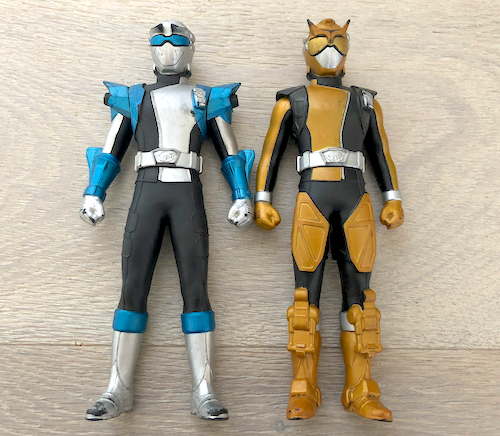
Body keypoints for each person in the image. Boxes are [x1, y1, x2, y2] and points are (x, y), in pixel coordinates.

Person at [80, 20, 254, 421]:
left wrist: (242, 194)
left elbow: (230, 152)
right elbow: (111, 150)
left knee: (196, 288)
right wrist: (94, 191)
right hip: (146, 192)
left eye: (177, 42)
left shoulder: (207, 98)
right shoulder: (133, 97)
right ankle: (117, 388)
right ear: (151, 49)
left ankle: (204, 390)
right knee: (132, 287)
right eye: (160, 42)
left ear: (190, 49)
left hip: (186, 194)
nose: (168, 50)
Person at [254, 18, 404, 422]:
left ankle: (361, 389)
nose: (329, 47)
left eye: (338, 39)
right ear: (307, 47)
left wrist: (393, 198)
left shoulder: (365, 103)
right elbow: (270, 153)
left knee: (362, 302)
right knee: (305, 300)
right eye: (320, 40)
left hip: (355, 198)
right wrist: (262, 198)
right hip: (312, 197)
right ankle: (303, 387)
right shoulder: (291, 102)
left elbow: (381, 153)